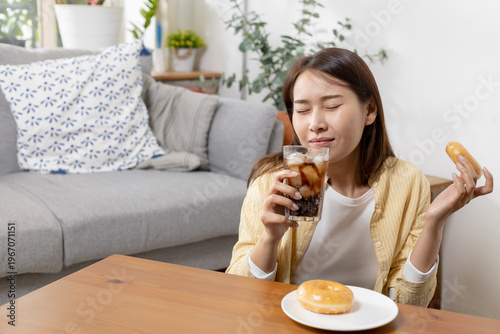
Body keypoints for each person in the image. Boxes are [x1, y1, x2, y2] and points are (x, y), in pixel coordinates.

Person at [226, 48, 494, 307]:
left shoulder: (408, 183)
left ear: (369, 111)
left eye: (331, 105)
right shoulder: (272, 185)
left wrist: (434, 222)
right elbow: (241, 297)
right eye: (303, 110)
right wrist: (270, 239)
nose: (314, 123)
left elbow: (409, 304)